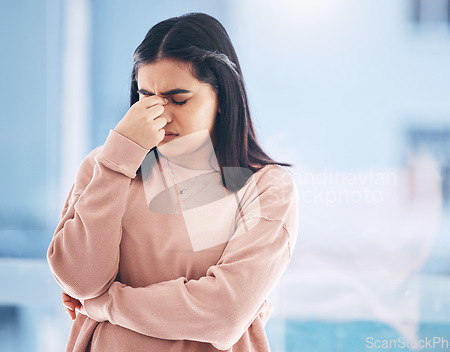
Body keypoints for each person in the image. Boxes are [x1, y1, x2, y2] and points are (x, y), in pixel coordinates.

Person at [47, 12, 299, 352]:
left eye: (178, 99)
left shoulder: (267, 188)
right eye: (146, 97)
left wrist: (105, 305)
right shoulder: (105, 166)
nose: (160, 114)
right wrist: (117, 161)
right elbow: (81, 280)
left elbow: (223, 313)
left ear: (222, 96)